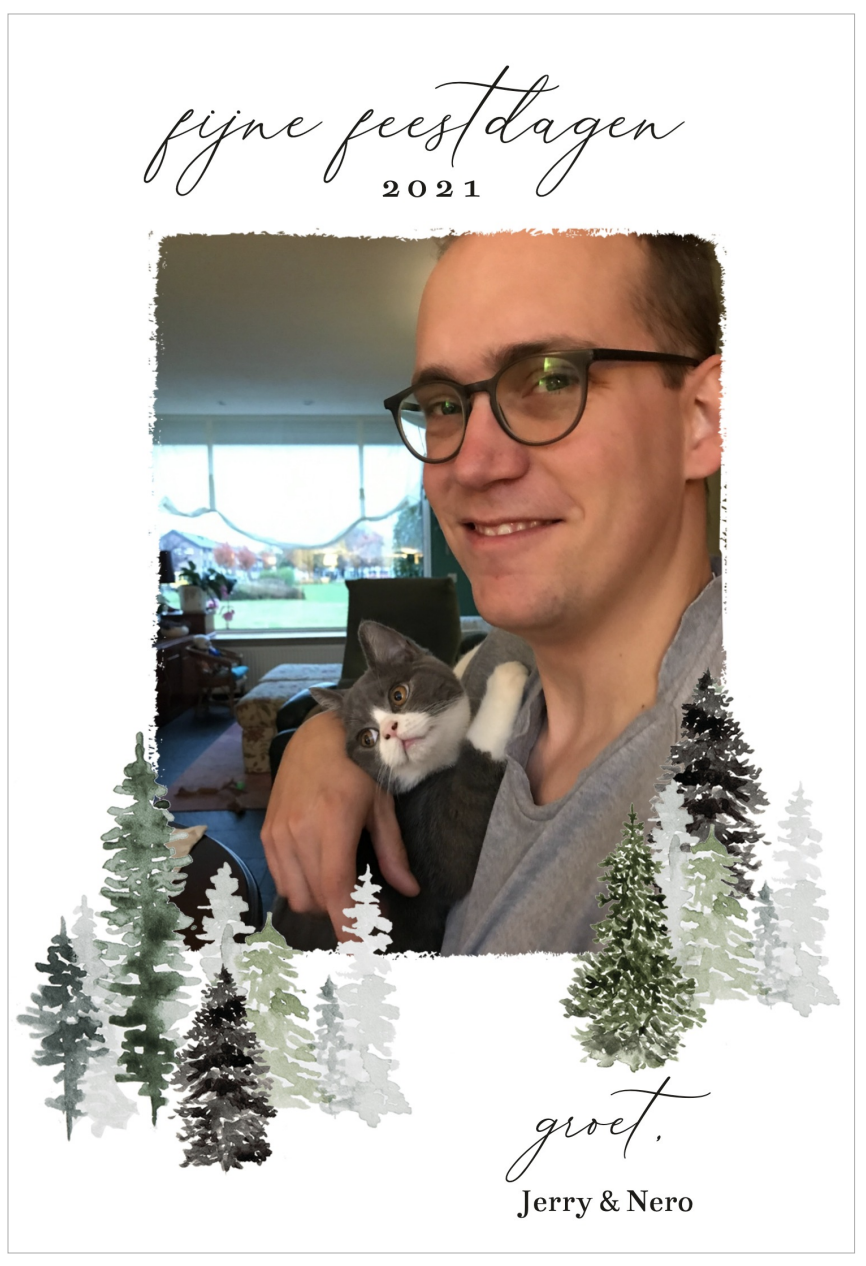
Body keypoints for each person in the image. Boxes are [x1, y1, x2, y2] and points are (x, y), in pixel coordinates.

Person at [263, 230, 723, 953]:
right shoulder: (507, 657)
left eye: (551, 379)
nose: (470, 465)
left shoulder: (732, 802)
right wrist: (325, 741)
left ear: (703, 418)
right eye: (444, 404)